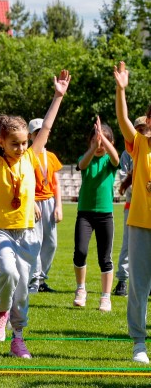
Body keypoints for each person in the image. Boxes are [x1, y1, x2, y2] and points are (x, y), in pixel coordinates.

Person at [0, 70, 71, 359]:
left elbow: (45, 126)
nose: (21, 148)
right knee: (6, 272)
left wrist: (58, 96)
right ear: (1, 143)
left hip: (29, 233)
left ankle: (18, 338)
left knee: (22, 289)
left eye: (24, 143)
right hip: (3, 231)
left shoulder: (32, 155)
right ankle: (1, 312)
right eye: (15, 143)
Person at [113, 60, 151, 363]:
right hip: (140, 224)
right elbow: (123, 119)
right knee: (139, 286)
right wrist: (121, 90)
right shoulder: (140, 143)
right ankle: (139, 342)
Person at [72, 118, 119, 312]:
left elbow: (116, 158)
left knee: (104, 258)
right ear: (90, 143)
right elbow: (82, 165)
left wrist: (103, 139)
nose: (99, 145)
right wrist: (94, 147)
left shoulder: (110, 161)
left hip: (105, 215)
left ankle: (105, 297)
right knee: (80, 252)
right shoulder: (86, 158)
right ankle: (81, 289)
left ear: (110, 143)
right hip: (85, 214)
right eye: (95, 141)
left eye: (104, 142)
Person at [114, 115, 149, 297]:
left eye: (145, 128)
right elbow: (124, 180)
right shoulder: (129, 153)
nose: (143, 131)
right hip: (133, 204)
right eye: (140, 129)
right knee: (128, 245)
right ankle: (122, 280)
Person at [27, 118, 63, 293]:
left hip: (49, 201)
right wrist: (31, 201)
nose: (41, 135)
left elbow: (56, 182)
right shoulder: (27, 155)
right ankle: (34, 281)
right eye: (37, 132)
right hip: (32, 202)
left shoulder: (51, 156)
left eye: (44, 131)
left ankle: (41, 278)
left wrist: (59, 206)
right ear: (31, 136)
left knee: (52, 243)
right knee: (35, 241)